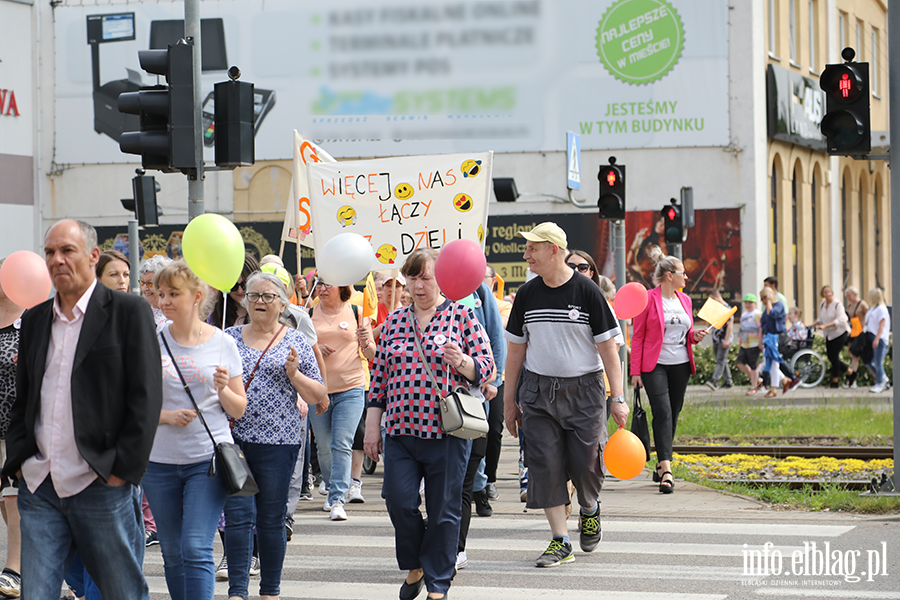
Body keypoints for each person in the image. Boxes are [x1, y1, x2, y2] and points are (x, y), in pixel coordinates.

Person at [2, 219, 163, 600]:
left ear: (92, 255)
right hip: (40, 484)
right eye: (51, 252)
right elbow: (24, 399)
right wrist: (22, 462)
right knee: (36, 592)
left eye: (67, 250)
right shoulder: (36, 318)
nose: (57, 260)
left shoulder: (128, 312)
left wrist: (121, 471)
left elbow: (146, 397)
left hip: (100, 482)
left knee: (121, 590)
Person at [364, 248, 494, 600]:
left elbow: (487, 368)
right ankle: (415, 562)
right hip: (402, 431)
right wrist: (372, 427)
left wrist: (463, 361)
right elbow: (379, 380)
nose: (418, 286)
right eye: (413, 277)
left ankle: (438, 582)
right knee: (398, 501)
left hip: (447, 433)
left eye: (426, 277)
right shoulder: (393, 321)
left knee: (444, 509)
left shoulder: (462, 316)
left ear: (442, 279)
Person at [503, 223, 625, 567]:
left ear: (553, 250)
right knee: (544, 465)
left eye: (532, 249)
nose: (526, 256)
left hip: (585, 391)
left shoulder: (588, 291)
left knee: (586, 465)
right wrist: (509, 402)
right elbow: (515, 353)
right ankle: (560, 540)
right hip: (539, 392)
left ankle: (590, 507)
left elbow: (608, 350)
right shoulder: (527, 295)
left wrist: (617, 397)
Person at [143, 260, 247, 600]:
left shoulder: (223, 343)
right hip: (159, 463)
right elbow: (133, 405)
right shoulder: (150, 342)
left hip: (207, 460)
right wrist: (166, 416)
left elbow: (238, 408)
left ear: (196, 296)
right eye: (160, 294)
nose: (164, 301)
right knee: (172, 551)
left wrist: (222, 390)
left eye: (173, 293)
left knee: (196, 547)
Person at [224, 271, 326, 600]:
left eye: (268, 296)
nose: (260, 302)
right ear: (244, 300)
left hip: (278, 444)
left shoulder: (295, 341)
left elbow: (317, 394)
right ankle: (237, 591)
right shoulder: (228, 338)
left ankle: (270, 591)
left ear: (283, 303)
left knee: (270, 519)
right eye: (254, 296)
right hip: (234, 441)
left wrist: (295, 375)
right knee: (238, 518)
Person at [631, 246, 705, 494]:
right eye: (683, 273)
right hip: (655, 365)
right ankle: (668, 470)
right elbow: (638, 336)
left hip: (681, 364)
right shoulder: (648, 299)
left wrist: (695, 336)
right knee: (662, 411)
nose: (687, 277)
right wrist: (635, 372)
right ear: (669, 275)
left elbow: (684, 334)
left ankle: (662, 463)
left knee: (672, 413)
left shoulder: (685, 300)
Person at [309, 281, 375, 521]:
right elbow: (299, 348)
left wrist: (367, 341)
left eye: (328, 285)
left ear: (341, 287)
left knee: (342, 443)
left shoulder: (357, 311)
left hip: (351, 387)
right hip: (318, 390)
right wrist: (315, 347)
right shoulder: (308, 313)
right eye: (318, 284)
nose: (322, 289)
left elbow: (370, 354)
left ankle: (337, 498)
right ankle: (331, 485)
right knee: (324, 447)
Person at [0, 265, 23, 598]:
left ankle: (14, 570)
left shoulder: (31, 318)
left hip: (18, 424)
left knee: (14, 497)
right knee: (3, 501)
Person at [758, 288, 800, 397]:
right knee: (772, 364)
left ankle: (774, 388)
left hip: (777, 337)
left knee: (774, 364)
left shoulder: (778, 305)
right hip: (769, 337)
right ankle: (782, 382)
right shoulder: (767, 307)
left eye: (763, 298)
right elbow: (763, 321)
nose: (762, 301)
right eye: (761, 299)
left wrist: (768, 302)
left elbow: (772, 315)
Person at [209, 253, 261, 330]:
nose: (239, 291)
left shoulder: (265, 315)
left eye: (245, 285)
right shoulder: (213, 315)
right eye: (233, 286)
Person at [813, 285, 851, 388]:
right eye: (825, 292)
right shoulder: (822, 305)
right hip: (829, 335)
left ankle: (835, 381)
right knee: (831, 356)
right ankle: (850, 372)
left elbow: (842, 319)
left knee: (834, 356)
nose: (828, 294)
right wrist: (814, 324)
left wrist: (826, 325)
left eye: (829, 292)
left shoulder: (837, 304)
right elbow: (821, 319)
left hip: (840, 332)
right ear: (823, 294)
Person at [705, 290, 734, 391]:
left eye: (712, 299)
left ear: (717, 296)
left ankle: (715, 381)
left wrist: (727, 339)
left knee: (720, 360)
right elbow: (709, 323)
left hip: (723, 339)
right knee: (721, 360)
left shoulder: (727, 308)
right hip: (716, 338)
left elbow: (730, 325)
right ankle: (728, 381)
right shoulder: (715, 309)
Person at [863, 288, 891, 393]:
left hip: (879, 338)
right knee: (869, 361)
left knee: (877, 362)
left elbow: (882, 325)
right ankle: (883, 378)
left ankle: (880, 383)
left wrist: (877, 338)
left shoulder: (881, 309)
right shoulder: (873, 308)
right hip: (871, 337)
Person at [139, 255, 173, 330]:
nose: (144, 288)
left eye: (149, 283)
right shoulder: (139, 314)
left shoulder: (178, 316)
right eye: (142, 282)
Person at [844, 286, 869, 389]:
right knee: (853, 356)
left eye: (849, 295)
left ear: (855, 294)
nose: (848, 297)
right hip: (853, 332)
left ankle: (852, 380)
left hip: (861, 332)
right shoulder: (850, 306)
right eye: (847, 296)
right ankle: (851, 380)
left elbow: (869, 316)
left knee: (857, 356)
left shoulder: (862, 304)